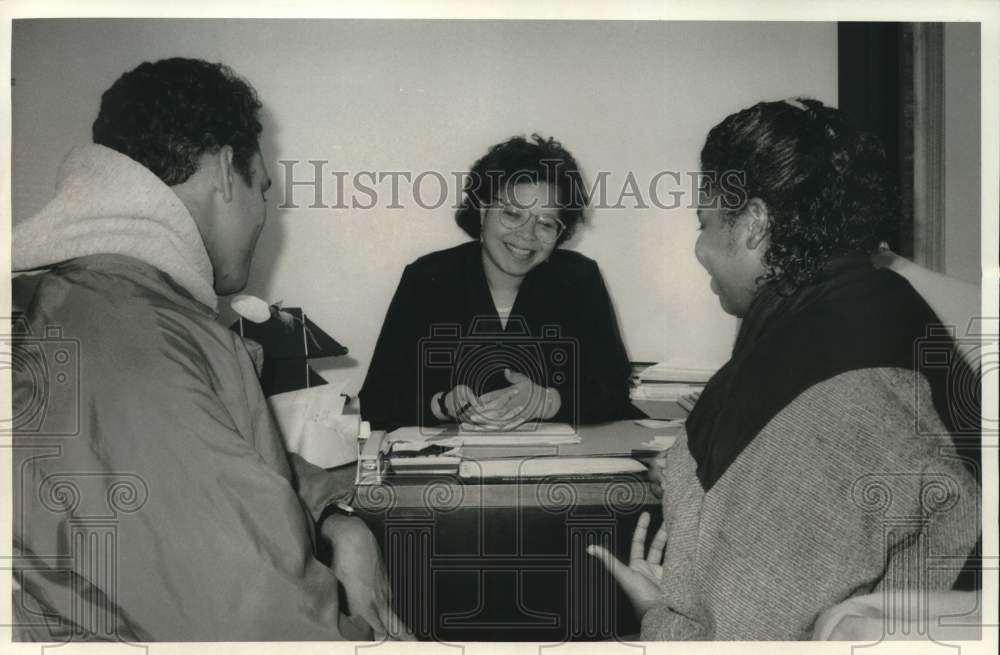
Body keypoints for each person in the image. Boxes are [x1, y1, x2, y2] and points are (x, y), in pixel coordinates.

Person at [11, 58, 409, 641]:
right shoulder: (139, 335)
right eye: (264, 191)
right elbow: (264, 628)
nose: (264, 217)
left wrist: (335, 519)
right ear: (226, 170)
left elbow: (208, 462)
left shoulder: (103, 301)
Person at [588, 98, 981, 639]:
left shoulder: (827, 395)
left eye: (704, 223)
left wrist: (656, 617)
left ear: (752, 223)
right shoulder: (880, 307)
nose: (699, 249)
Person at [359, 134, 635, 432]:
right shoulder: (427, 279)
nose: (527, 235)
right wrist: (442, 405)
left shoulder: (580, 279)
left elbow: (615, 393)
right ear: (481, 210)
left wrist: (548, 401)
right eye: (512, 214)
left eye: (546, 223)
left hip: (553, 463)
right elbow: (376, 401)